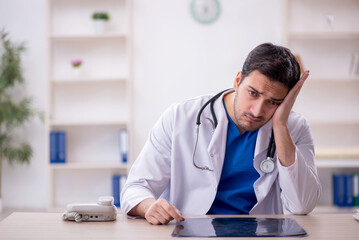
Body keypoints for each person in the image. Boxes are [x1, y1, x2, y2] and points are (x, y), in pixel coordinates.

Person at [120, 43, 322, 225]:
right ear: (237, 81)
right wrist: (149, 206)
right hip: (189, 232)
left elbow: (302, 205)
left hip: (259, 234)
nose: (257, 111)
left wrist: (280, 126)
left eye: (274, 102)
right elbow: (135, 188)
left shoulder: (293, 128)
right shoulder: (180, 117)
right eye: (253, 93)